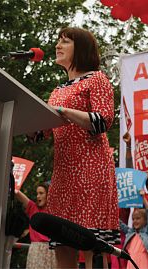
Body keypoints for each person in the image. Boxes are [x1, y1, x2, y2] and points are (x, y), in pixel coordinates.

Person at [46, 27, 119, 269]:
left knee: (91, 242)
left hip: (90, 170)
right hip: (63, 174)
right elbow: (43, 131)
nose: (58, 45)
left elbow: (103, 121)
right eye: (58, 41)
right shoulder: (57, 91)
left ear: (82, 49)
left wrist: (64, 112)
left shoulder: (97, 79)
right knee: (62, 242)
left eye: (65, 42)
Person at [15, 183, 57, 269]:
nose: (38, 196)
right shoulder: (33, 207)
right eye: (37, 193)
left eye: (41, 193)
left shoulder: (54, 210)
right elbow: (17, 192)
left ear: (49, 195)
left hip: (52, 249)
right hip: (36, 249)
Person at [119, 190, 148, 269]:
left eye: (138, 218)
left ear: (145, 220)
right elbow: (119, 223)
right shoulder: (130, 233)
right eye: (133, 219)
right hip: (130, 264)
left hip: (144, 264)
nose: (135, 221)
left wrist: (143, 198)